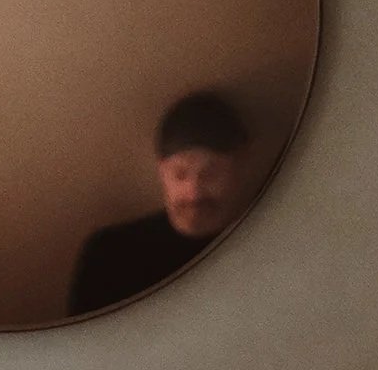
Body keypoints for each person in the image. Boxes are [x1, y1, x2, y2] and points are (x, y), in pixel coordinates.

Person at [68, 91, 252, 316]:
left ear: (240, 168)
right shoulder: (109, 254)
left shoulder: (265, 250)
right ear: (161, 171)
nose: (194, 192)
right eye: (180, 174)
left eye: (210, 173)